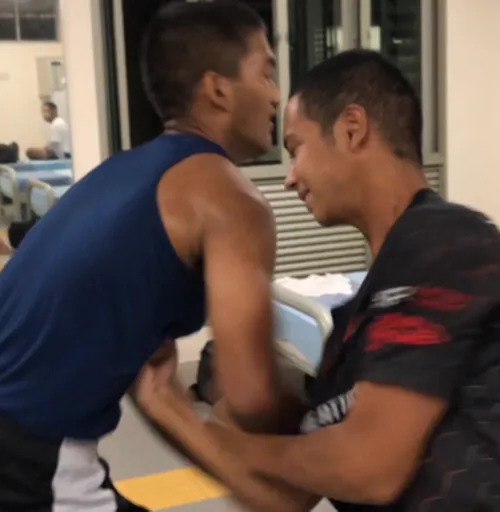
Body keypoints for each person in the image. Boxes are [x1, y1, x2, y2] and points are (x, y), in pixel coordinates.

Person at [151, 49, 500, 511]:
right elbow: (289, 497)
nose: (290, 178)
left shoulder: (447, 243)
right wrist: (168, 408)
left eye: (297, 149)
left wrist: (227, 444)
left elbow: (370, 468)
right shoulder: (356, 322)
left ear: (352, 129)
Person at [0, 2, 304, 510]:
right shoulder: (229, 197)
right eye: (265, 72)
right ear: (217, 89)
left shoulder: (120, 173)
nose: (274, 93)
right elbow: (251, 397)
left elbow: (155, 385)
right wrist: (329, 416)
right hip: (22, 455)